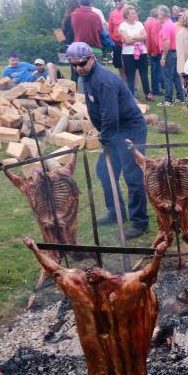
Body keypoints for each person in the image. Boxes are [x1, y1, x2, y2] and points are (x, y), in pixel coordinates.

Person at [65, 42, 149, 239]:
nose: (78, 68)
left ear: (92, 59)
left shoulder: (103, 81)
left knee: (132, 176)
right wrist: (107, 137)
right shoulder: (87, 76)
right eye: (74, 65)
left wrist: (104, 139)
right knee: (104, 171)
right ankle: (115, 213)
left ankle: (140, 222)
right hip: (114, 131)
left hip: (130, 130)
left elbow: (110, 115)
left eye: (82, 63)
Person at [118, 4, 150, 100]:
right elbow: (126, 41)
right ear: (126, 15)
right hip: (128, 54)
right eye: (132, 13)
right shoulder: (123, 25)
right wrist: (138, 38)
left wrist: (133, 38)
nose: (134, 15)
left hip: (142, 52)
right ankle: (130, 96)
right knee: (130, 75)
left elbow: (145, 36)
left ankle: (148, 93)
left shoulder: (139, 24)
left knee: (144, 73)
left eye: (134, 13)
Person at [157, 5, 185, 106]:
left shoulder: (166, 26)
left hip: (169, 53)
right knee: (176, 76)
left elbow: (167, 42)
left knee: (167, 77)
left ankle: (168, 100)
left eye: (159, 13)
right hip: (175, 52)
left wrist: (163, 56)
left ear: (162, 14)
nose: (158, 15)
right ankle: (180, 97)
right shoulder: (172, 24)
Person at [144, 8, 164, 97]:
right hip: (156, 50)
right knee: (157, 71)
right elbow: (155, 39)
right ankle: (156, 89)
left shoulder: (147, 22)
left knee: (153, 71)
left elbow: (147, 38)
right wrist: (156, 51)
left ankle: (154, 88)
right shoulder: (156, 23)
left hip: (149, 49)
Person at [108, 0, 126, 79]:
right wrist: (114, 39)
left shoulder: (129, 11)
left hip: (129, 43)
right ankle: (124, 85)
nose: (117, 2)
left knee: (131, 67)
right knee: (120, 66)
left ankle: (133, 88)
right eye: (115, 1)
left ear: (123, 0)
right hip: (117, 44)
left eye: (119, 0)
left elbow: (136, 26)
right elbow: (110, 29)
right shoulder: (112, 14)